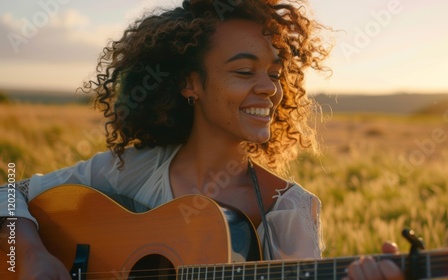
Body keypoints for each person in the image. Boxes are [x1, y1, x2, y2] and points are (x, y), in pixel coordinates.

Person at [0, 0, 403, 279]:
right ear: (190, 83)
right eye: (245, 72)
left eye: (274, 74)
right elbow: (10, 190)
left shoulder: (289, 210)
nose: (269, 89)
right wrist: (29, 254)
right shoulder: (128, 170)